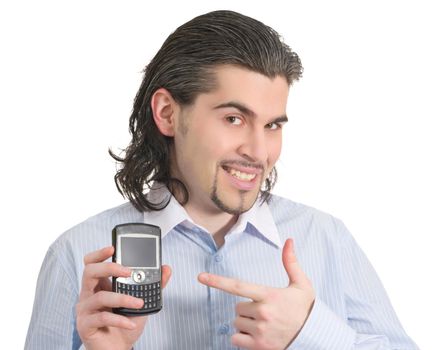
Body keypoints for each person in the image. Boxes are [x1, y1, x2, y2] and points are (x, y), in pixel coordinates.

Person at [25, 10, 418, 350]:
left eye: (273, 125)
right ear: (167, 114)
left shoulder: (326, 239)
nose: (259, 151)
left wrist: (308, 332)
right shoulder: (74, 256)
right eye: (234, 119)